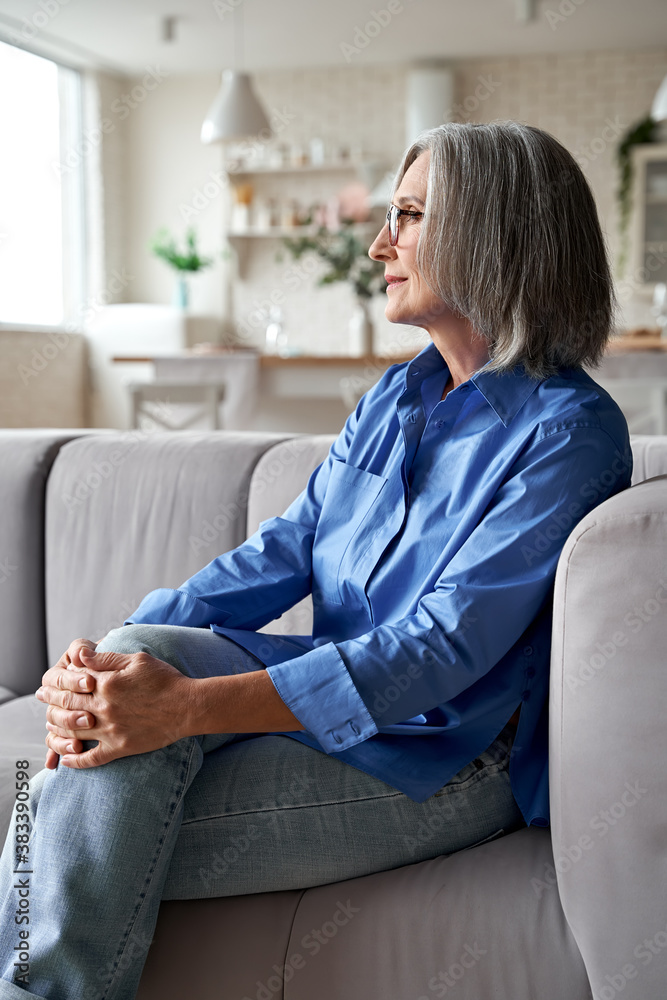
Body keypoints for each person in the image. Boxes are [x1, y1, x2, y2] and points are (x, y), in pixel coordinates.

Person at [0, 121, 631, 1000]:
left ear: (494, 231)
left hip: (444, 754)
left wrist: (185, 710)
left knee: (41, 824)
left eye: (408, 215)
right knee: (142, 647)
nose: (379, 244)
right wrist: (103, 660)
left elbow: (441, 650)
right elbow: (287, 547)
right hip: (328, 710)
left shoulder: (568, 433)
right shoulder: (396, 394)